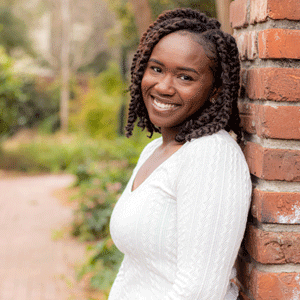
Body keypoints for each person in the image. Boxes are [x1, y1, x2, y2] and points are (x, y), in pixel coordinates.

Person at [109, 8, 251, 300]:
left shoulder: (212, 155)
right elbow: (134, 270)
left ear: (215, 90)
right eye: (157, 69)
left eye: (185, 77)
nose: (163, 87)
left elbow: (199, 292)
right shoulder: (154, 150)